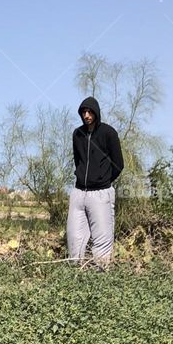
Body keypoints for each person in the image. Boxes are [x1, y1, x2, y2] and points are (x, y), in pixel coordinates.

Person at [67, 96, 124, 266]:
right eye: (83, 112)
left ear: (96, 113)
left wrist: (102, 179)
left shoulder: (108, 133)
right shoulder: (77, 134)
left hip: (100, 193)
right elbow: (78, 160)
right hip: (78, 192)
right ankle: (74, 273)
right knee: (74, 237)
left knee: (102, 239)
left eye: (90, 111)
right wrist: (82, 175)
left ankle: (101, 275)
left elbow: (118, 164)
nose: (86, 115)